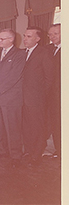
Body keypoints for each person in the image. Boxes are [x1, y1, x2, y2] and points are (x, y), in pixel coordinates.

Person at [0, 28, 26, 168]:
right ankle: (2, 151)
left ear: (11, 39)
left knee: (13, 128)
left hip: (11, 98)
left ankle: (15, 155)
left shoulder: (20, 54)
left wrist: (0, 88)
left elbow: (15, 76)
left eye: (2, 39)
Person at [22, 26, 54, 167]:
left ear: (37, 39)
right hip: (23, 99)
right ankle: (29, 151)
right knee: (27, 127)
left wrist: (41, 96)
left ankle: (36, 155)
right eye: (25, 35)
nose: (25, 39)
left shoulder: (44, 53)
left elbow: (49, 78)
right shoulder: (22, 53)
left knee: (37, 127)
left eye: (29, 36)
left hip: (37, 99)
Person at [46, 23, 61, 159]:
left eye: (55, 33)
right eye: (50, 34)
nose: (52, 37)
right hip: (52, 97)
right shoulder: (49, 49)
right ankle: (59, 151)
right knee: (56, 124)